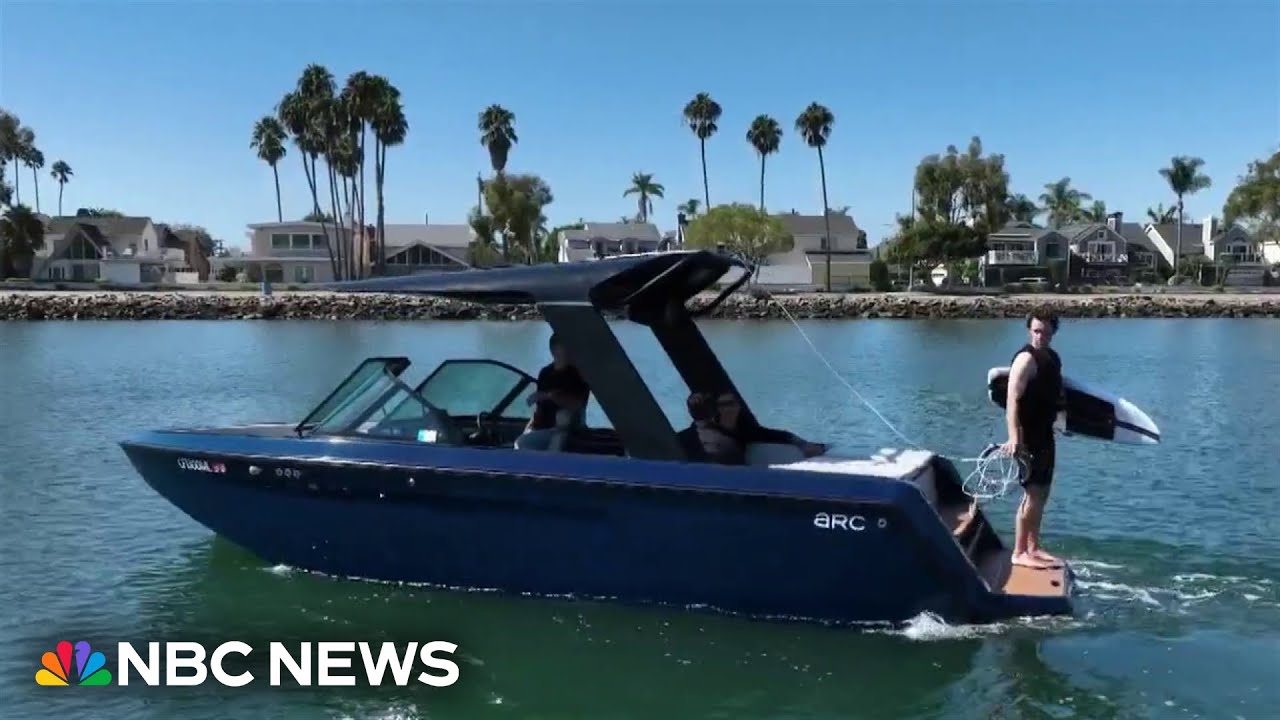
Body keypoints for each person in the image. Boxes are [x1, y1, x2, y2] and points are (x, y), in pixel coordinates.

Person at [1000, 309, 1066, 570]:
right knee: (1032, 493)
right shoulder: (1025, 359)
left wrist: (1062, 423)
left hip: (1045, 433)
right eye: (1037, 331)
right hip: (1028, 437)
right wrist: (1014, 437)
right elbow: (1012, 401)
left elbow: (1054, 394)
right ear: (1030, 330)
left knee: (1043, 493)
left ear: (1053, 332)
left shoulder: (1053, 358)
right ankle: (1019, 552)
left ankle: (1033, 546)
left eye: (1046, 332)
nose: (1041, 337)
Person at [517, 334, 591, 451]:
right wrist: (530, 426)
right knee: (520, 443)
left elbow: (577, 404)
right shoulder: (545, 373)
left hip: (565, 429)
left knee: (563, 417)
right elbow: (540, 407)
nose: (570, 350)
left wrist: (549, 396)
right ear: (554, 350)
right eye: (565, 346)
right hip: (542, 427)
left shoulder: (579, 374)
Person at [714, 391, 827, 459]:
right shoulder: (709, 430)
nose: (727, 409)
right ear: (717, 409)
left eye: (731, 404)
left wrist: (803, 444)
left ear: (738, 407)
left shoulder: (746, 431)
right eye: (722, 405)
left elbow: (778, 435)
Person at [676, 392, 747, 465]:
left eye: (701, 402)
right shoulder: (680, 440)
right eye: (695, 403)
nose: (698, 404)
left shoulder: (733, 432)